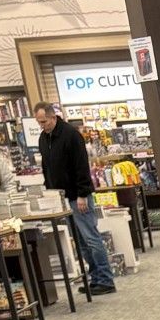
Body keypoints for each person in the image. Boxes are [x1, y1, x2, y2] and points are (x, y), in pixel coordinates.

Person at [34, 103, 114, 294]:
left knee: (92, 238)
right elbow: (47, 167)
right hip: (60, 198)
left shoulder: (70, 135)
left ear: (54, 117)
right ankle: (95, 278)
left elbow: (81, 167)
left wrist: (82, 194)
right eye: (39, 122)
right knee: (81, 242)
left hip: (77, 197)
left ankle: (106, 280)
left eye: (44, 121)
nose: (42, 125)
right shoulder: (43, 138)